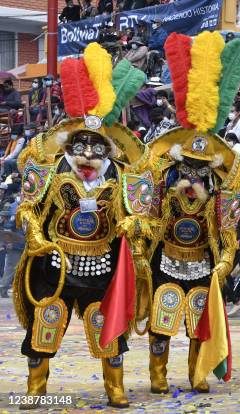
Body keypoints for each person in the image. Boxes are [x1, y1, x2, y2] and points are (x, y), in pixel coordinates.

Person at [13, 44, 151, 408]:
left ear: (109, 150)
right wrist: (38, 238)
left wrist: (133, 224)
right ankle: (37, 389)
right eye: (82, 145)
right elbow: (26, 209)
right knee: (44, 325)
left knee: (107, 328)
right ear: (70, 144)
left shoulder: (124, 177)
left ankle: (114, 387)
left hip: (102, 266)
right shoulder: (49, 169)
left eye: (97, 147)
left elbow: (143, 220)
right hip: (55, 263)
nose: (88, 153)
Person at [145, 31, 240, 394]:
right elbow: (145, 215)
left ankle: (197, 373)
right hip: (167, 262)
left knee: (198, 323)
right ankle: (157, 373)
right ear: (179, 162)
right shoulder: (163, 185)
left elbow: (227, 230)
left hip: (202, 264)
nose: (193, 174)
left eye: (200, 168)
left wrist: (224, 261)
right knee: (162, 318)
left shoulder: (219, 191)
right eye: (188, 166)